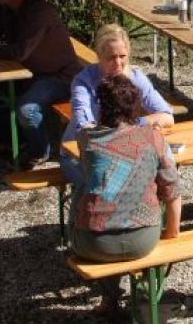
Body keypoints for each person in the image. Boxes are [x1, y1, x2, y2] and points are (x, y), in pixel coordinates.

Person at [70, 74, 181, 319]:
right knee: (145, 192)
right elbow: (172, 190)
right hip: (143, 240)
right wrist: (172, 232)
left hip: (93, 244)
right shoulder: (153, 138)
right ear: (135, 107)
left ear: (101, 107)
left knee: (84, 190)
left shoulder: (87, 139)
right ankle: (144, 294)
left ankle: (110, 298)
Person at [0, 0, 81, 169]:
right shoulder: (6, 7)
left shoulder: (39, 12)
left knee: (27, 109)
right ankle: (13, 143)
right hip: (29, 72)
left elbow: (19, 52)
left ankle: (39, 152)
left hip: (59, 76)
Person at [60, 24, 174, 186]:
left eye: (122, 56)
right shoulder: (83, 82)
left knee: (158, 174)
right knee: (108, 185)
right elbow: (84, 128)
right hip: (77, 154)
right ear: (99, 55)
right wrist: (130, 130)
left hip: (121, 151)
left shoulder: (135, 77)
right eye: (111, 57)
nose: (118, 63)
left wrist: (136, 124)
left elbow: (167, 116)